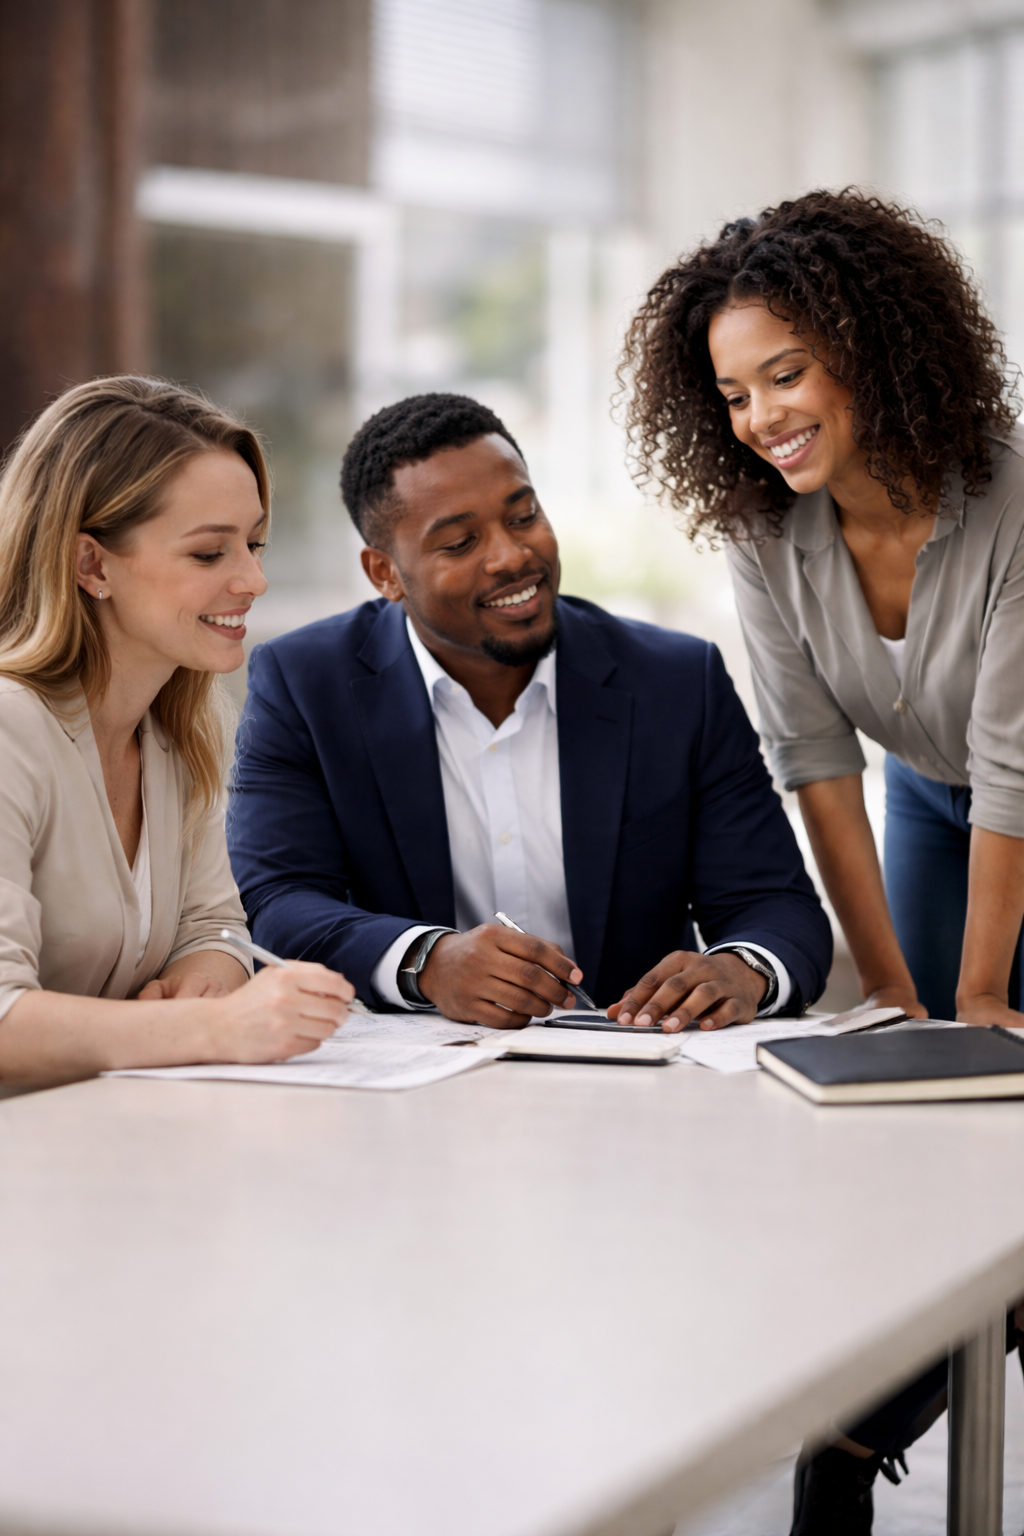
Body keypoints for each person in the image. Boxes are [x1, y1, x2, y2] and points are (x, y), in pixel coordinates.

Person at [619, 188, 1024, 1531]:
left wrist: (974, 1011)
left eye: (785, 375)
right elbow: (817, 763)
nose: (761, 418)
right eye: (733, 392)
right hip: (928, 795)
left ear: (874, 348)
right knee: (920, 1108)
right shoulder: (761, 527)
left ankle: (857, 1438)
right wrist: (903, 1008)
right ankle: (856, 1432)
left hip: (1016, 788)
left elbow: (1015, 764)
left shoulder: (1013, 496)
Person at [228, 391, 831, 1039]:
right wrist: (426, 960)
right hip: (414, 1084)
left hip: (636, 1078)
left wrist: (745, 971)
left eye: (524, 516)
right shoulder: (304, 683)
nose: (512, 556)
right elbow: (277, 900)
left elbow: (775, 905)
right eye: (460, 542)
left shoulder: (677, 682)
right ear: (386, 574)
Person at [0, 376, 353, 1089]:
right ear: (91, 564)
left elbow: (215, 924)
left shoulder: (177, 739)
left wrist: (207, 970)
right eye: (209, 553)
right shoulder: (10, 729)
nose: (253, 580)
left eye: (254, 544)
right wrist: (212, 1026)